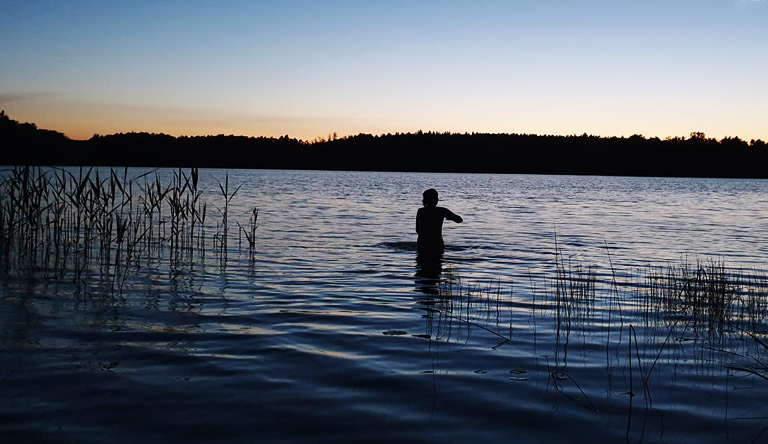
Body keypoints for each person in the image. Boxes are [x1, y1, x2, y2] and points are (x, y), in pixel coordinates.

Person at [416, 188, 462, 255]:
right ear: (436, 200)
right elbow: (459, 220)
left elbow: (417, 230)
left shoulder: (420, 211)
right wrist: (449, 217)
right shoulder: (442, 211)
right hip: (436, 243)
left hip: (422, 243)